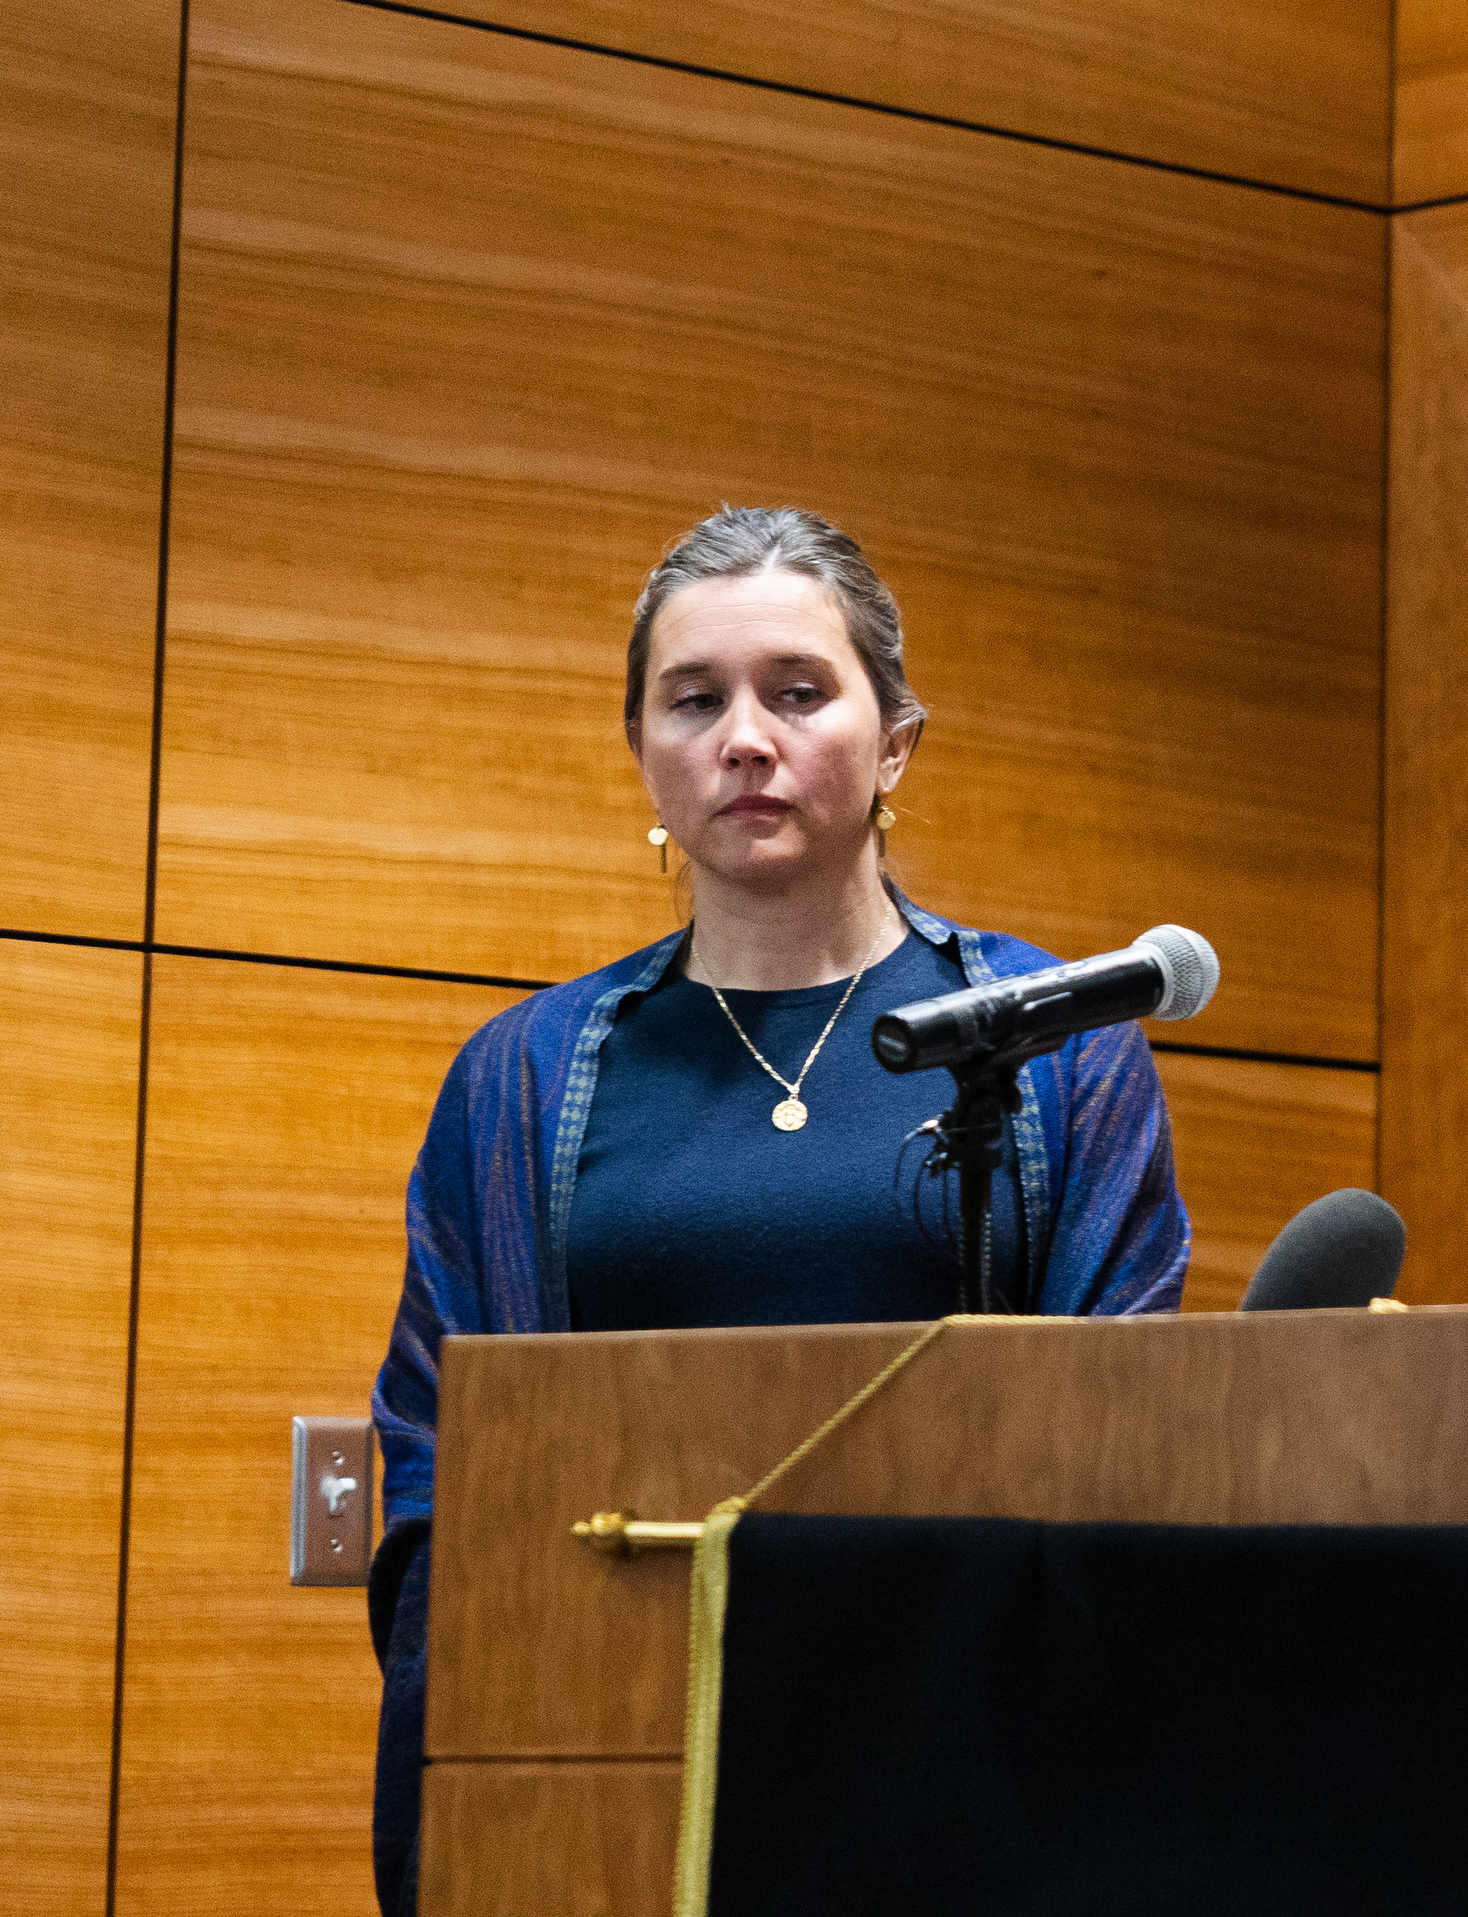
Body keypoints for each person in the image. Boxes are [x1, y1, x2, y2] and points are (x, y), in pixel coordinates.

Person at [363, 507, 1191, 1914]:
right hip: (612, 1763)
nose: (745, 736)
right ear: (643, 751)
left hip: (964, 1776)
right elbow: (444, 1458)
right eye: (696, 701)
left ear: (894, 744)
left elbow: (1124, 1433)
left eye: (799, 692)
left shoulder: (1058, 1048)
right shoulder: (524, 1077)